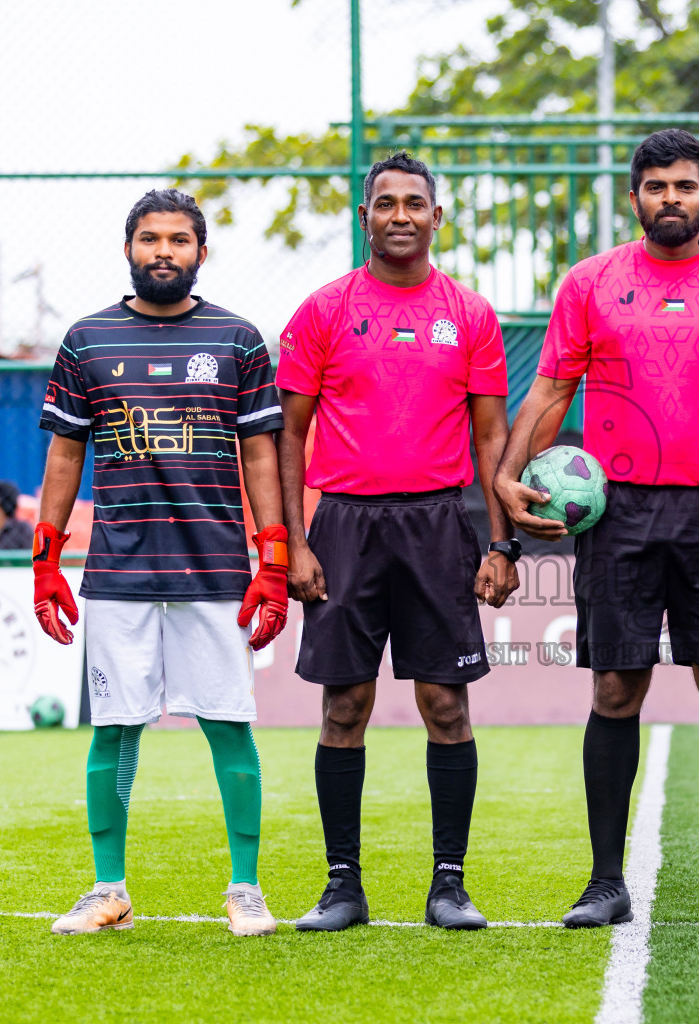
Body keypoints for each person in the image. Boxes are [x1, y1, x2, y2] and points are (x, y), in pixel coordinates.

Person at [495, 129, 699, 929]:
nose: (672, 198)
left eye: (686, 186)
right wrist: (505, 478)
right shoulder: (591, 284)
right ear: (634, 198)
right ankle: (605, 882)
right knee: (614, 687)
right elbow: (549, 394)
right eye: (657, 186)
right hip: (619, 510)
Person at [35, 188, 288, 937]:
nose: (164, 252)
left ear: (201, 254)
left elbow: (262, 455)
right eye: (150, 239)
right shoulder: (87, 341)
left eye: (180, 240)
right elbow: (63, 454)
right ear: (128, 248)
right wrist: (46, 560)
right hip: (117, 573)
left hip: (215, 571)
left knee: (229, 724)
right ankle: (108, 887)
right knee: (114, 728)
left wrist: (270, 560)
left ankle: (245, 888)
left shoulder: (239, 340)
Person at [277, 152, 518, 933]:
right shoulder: (323, 310)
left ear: (437, 218)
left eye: (417, 203)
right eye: (387, 203)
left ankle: (449, 885)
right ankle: (342, 886)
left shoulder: (471, 315)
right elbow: (288, 432)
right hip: (343, 525)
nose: (402, 215)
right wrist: (291, 541)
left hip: (437, 525)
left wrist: (501, 544)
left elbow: (492, 440)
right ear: (365, 217)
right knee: (343, 705)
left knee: (446, 704)